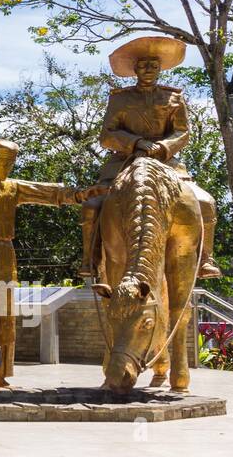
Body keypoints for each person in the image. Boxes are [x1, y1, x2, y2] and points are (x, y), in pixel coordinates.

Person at [0, 139, 95, 385]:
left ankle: (2, 374)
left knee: (6, 321)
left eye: (11, 164)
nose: (8, 169)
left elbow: (45, 192)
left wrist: (78, 194)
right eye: (4, 163)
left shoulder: (11, 187)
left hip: (6, 256)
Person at [80, 36, 221, 282]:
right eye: (143, 64)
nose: (148, 69)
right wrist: (135, 143)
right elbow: (106, 135)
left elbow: (182, 132)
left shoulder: (173, 97)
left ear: (160, 69)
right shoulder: (119, 99)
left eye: (153, 65)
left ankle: (206, 258)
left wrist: (163, 147)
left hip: (166, 163)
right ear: (135, 68)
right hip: (123, 162)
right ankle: (89, 259)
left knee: (205, 202)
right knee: (92, 207)